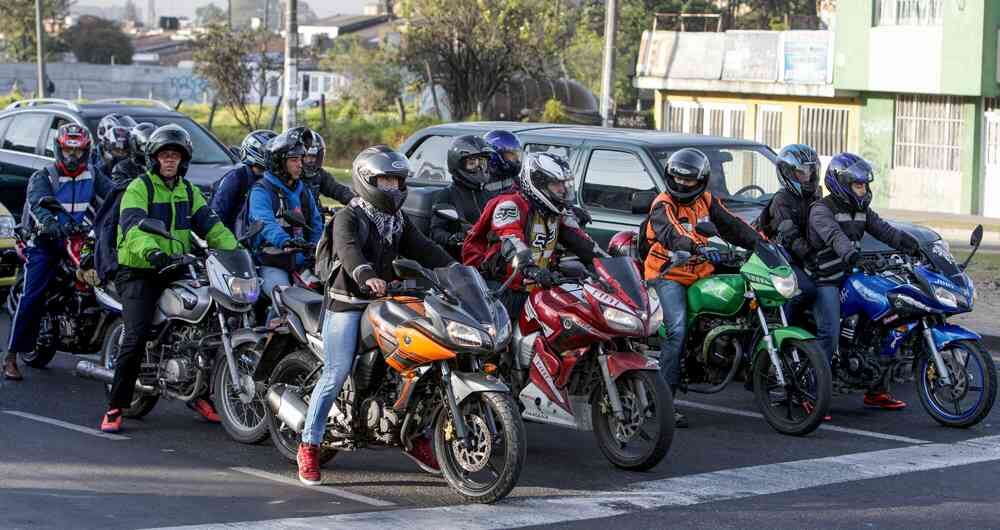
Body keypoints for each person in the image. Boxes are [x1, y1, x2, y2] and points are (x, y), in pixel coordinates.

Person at [297, 145, 454, 486]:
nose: (393, 188)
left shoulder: (397, 219)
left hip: (384, 301)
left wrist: (457, 270)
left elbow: (424, 248)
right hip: (348, 302)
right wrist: (367, 275)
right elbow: (349, 251)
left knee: (415, 364)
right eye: (385, 181)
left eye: (397, 181)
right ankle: (309, 444)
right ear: (367, 181)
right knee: (337, 372)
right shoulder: (347, 217)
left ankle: (413, 435)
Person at [101, 124, 239, 433]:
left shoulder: (188, 191)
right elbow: (134, 227)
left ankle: (199, 393)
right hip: (140, 269)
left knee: (209, 326)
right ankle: (115, 405)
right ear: (154, 158)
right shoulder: (140, 188)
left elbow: (213, 227)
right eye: (164, 155)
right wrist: (152, 252)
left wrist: (237, 251)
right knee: (135, 336)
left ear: (183, 160)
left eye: (175, 156)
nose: (169, 161)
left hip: (177, 265)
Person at [642, 148, 762, 428]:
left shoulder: (707, 200)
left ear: (702, 180)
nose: (682, 184)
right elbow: (672, 232)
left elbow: (732, 225)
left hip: (699, 274)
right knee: (677, 330)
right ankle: (663, 404)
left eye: (689, 180)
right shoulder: (663, 204)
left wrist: (761, 242)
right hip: (667, 275)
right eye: (678, 178)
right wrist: (696, 246)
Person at [806, 152, 920, 410]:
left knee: (882, 321)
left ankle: (876, 389)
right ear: (841, 184)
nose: (864, 190)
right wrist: (851, 255)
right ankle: (811, 394)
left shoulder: (862, 211)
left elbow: (885, 230)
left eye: (865, 185)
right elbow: (835, 237)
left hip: (851, 276)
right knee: (829, 333)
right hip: (826, 279)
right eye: (858, 185)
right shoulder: (821, 210)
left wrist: (910, 245)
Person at [4, 124, 110, 381]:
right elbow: (39, 204)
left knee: (109, 272)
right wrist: (49, 223)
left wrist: (131, 200)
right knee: (33, 294)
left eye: (78, 152)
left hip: (79, 237)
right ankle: (10, 357)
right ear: (58, 150)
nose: (72, 157)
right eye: (67, 151)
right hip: (45, 240)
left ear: (87, 152)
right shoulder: (44, 176)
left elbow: (113, 196)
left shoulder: (93, 174)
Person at [463, 152, 605, 321]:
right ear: (538, 183)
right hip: (500, 286)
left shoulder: (557, 212)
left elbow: (583, 243)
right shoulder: (509, 205)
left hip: (538, 286)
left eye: (565, 184)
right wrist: (531, 269)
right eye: (556, 184)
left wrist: (608, 262)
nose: (563, 190)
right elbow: (511, 240)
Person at [247, 127, 323, 304]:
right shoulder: (261, 191)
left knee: (324, 295)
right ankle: (270, 331)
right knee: (284, 299)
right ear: (279, 162)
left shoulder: (303, 190)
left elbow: (316, 223)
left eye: (301, 158)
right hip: (272, 263)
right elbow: (264, 222)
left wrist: (317, 247)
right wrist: (284, 241)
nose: (300, 164)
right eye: (294, 159)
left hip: (302, 263)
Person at [759, 144, 822, 317]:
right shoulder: (782, 200)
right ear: (787, 173)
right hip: (782, 256)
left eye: (811, 171)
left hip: (804, 255)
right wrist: (810, 257)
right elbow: (790, 235)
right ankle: (782, 328)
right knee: (804, 290)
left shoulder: (816, 195)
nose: (808, 177)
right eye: (802, 172)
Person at [429, 135, 496, 258]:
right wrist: (453, 238)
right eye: (472, 163)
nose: (479, 168)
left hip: (486, 258)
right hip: (460, 262)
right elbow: (435, 232)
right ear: (457, 163)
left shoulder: (488, 195)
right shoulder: (448, 194)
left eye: (482, 162)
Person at [210, 129, 277, 234]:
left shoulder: (273, 178)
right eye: (268, 152)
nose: (273, 156)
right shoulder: (236, 178)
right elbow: (218, 215)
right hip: (236, 241)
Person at [301, 130, 354, 205]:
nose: (311, 160)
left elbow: (336, 189)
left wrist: (354, 199)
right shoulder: (291, 177)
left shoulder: (319, 174)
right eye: (307, 156)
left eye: (314, 156)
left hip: (314, 215)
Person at [92, 114, 138, 182]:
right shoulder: (90, 160)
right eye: (117, 150)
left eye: (124, 150)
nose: (121, 153)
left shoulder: (134, 161)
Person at [482, 129, 522, 198]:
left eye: (516, 153)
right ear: (495, 156)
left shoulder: (514, 177)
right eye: (511, 154)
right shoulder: (482, 182)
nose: (516, 158)